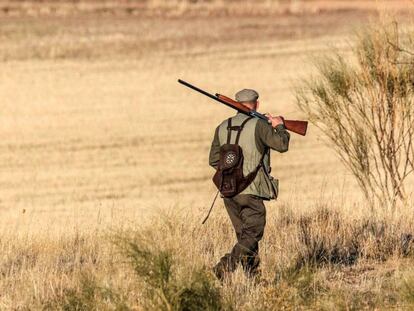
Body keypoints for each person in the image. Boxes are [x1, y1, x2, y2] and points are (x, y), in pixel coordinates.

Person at [208, 88, 290, 280]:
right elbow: (282, 145)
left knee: (245, 236)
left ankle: (252, 278)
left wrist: (232, 170)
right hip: (251, 189)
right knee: (253, 233)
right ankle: (224, 267)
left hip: (228, 191)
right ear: (257, 104)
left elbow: (214, 160)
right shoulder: (259, 125)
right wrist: (279, 126)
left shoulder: (222, 126)